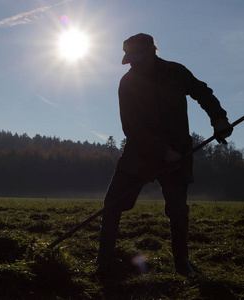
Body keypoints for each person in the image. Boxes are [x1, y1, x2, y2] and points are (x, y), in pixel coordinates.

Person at [96, 33, 233, 276]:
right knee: (112, 206)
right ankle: (103, 262)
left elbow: (203, 93)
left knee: (178, 210)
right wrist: (162, 151)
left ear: (152, 51)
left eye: (138, 58)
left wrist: (219, 118)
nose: (134, 64)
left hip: (178, 153)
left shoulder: (176, 72)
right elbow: (131, 126)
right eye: (130, 60)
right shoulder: (127, 83)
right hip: (139, 153)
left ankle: (182, 263)